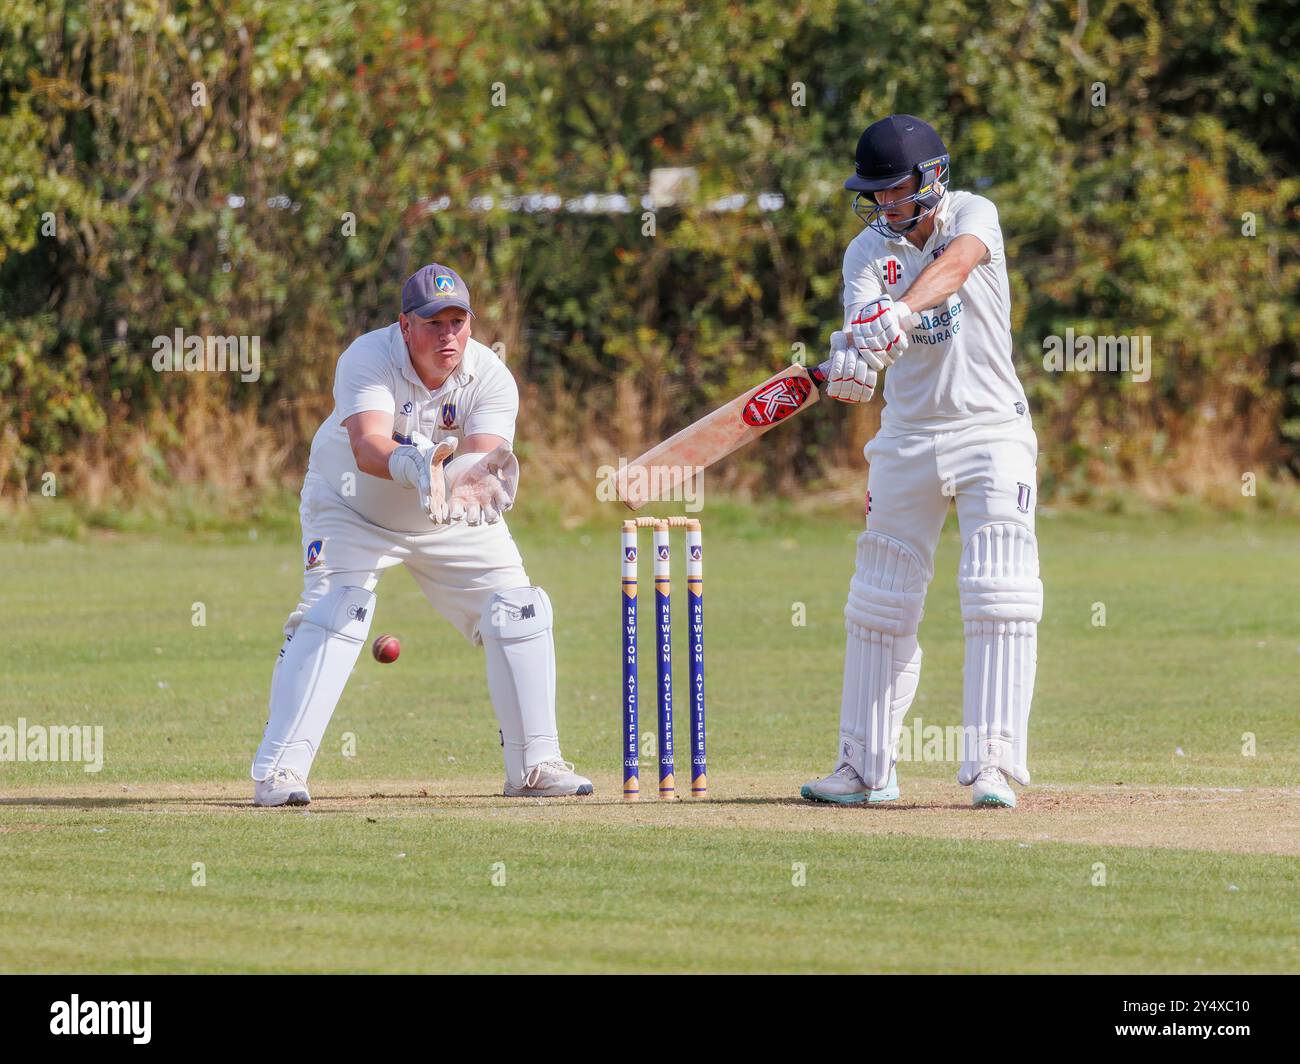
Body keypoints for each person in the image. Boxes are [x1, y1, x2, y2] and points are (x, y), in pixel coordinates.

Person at [250, 264, 592, 806]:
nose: (447, 335)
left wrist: (471, 477)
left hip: (449, 516)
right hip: (351, 508)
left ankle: (534, 767)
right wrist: (415, 466)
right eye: (434, 323)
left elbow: (480, 458)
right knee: (336, 612)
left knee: (520, 607)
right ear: (404, 325)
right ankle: (280, 773)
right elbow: (367, 447)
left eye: (458, 321)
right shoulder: (368, 357)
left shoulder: (492, 376)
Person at [802, 115, 1043, 809]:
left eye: (895, 189)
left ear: (932, 176)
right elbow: (868, 343)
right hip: (907, 435)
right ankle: (863, 766)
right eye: (873, 194)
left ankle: (992, 763)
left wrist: (901, 312)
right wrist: (854, 363)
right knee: (880, 599)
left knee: (998, 589)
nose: (885, 205)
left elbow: (959, 263)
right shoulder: (862, 255)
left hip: (991, 429)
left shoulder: (974, 213)